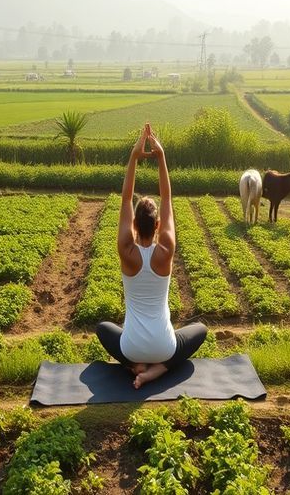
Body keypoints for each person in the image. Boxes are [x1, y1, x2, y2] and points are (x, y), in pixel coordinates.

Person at [96, 123, 208, 388]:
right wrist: (161, 157)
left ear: (134, 225)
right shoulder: (166, 250)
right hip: (164, 348)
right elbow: (167, 198)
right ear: (157, 225)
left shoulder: (126, 250)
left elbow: (125, 200)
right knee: (200, 330)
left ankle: (137, 367)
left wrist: (134, 157)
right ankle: (157, 371)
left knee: (103, 328)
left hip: (131, 347)